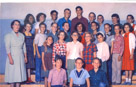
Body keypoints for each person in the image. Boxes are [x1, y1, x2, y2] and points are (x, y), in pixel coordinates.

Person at [4, 20, 27, 87]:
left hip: (20, 57)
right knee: (12, 77)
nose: (17, 26)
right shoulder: (8, 35)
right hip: (12, 57)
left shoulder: (22, 35)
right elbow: (7, 48)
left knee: (19, 77)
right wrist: (10, 58)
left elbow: (24, 47)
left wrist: (25, 57)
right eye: (15, 24)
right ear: (12, 26)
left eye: (18, 25)